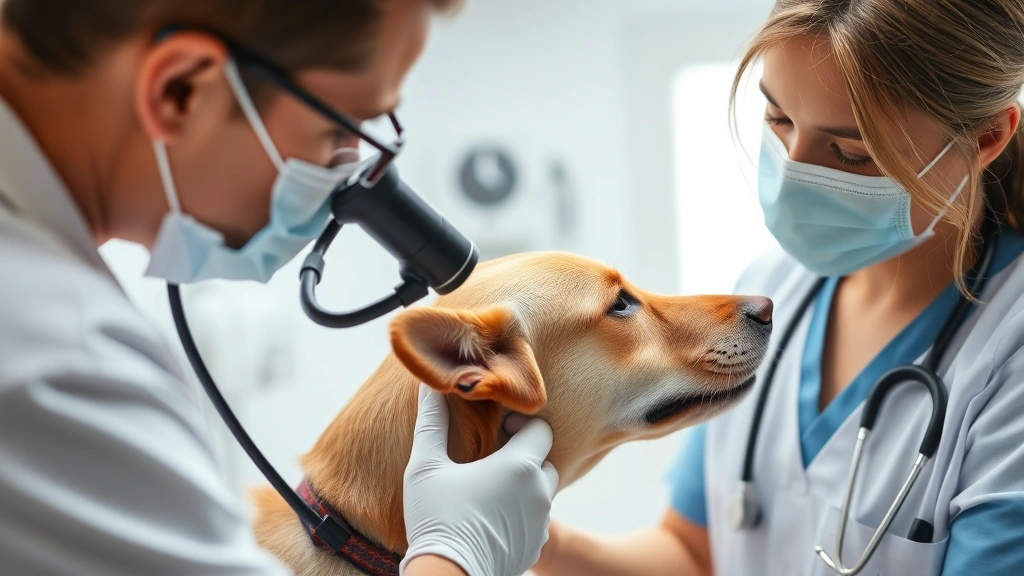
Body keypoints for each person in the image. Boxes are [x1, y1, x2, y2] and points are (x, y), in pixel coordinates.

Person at [0, 1, 556, 575]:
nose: (348, 180)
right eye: (336, 128)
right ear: (182, 90)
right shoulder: (54, 361)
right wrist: (458, 556)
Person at [533, 1, 1024, 575]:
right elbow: (693, 555)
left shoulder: (1008, 351)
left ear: (988, 136)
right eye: (778, 120)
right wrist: (535, 537)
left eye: (851, 153)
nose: (793, 174)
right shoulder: (769, 290)